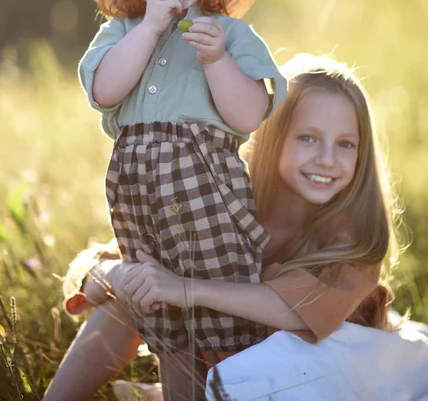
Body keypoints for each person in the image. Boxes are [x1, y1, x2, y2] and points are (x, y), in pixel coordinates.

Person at [44, 53, 411, 401]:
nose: (327, 159)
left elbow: (296, 309)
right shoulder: (219, 195)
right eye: (308, 138)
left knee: (170, 289)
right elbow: (100, 269)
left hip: (306, 379)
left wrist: (187, 289)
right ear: (271, 136)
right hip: (222, 360)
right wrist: (120, 274)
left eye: (345, 144)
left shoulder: (356, 238)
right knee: (136, 289)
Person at [61, 0, 287, 399]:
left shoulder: (229, 35)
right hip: (140, 206)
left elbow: (251, 114)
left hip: (210, 199)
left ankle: (241, 386)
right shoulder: (120, 34)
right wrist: (148, 28)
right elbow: (104, 90)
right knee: (165, 320)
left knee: (222, 317)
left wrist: (215, 61)